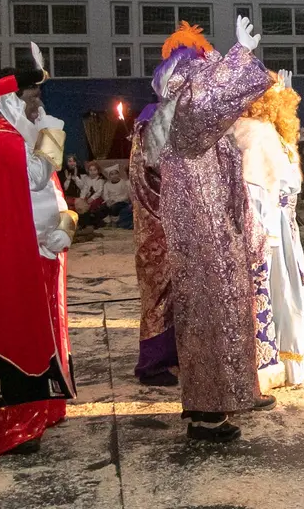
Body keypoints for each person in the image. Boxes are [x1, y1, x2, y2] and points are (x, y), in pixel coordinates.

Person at [158, 17, 274, 443]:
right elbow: (203, 107)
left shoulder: (192, 113)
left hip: (212, 225)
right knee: (211, 310)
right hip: (201, 229)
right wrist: (239, 56)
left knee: (217, 309)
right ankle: (208, 411)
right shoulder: (183, 104)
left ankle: (213, 404)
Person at [0, 47, 77, 455]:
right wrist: (50, 131)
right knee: (18, 329)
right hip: (13, 258)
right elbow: (39, 175)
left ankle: (43, 408)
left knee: (42, 329)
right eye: (32, 98)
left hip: (40, 252)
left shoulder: (14, 134)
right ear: (11, 100)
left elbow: (49, 189)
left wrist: (65, 227)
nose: (39, 105)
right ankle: (16, 425)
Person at [231, 69, 304, 391]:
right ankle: (275, 362)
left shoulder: (269, 132)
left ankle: (290, 357)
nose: (286, 99)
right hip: (270, 231)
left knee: (288, 291)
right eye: (280, 94)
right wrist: (266, 236)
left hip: (284, 228)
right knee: (278, 292)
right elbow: (255, 191)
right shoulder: (256, 135)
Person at [128, 79, 177, 387]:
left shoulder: (156, 118)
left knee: (172, 295)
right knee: (159, 295)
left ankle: (169, 355)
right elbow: (161, 171)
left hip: (165, 222)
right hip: (158, 223)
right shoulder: (154, 122)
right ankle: (152, 363)